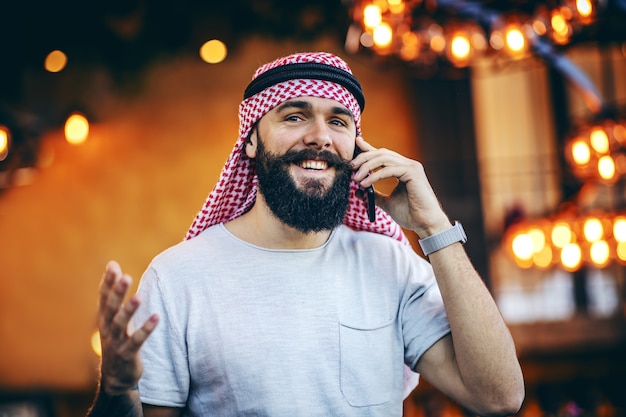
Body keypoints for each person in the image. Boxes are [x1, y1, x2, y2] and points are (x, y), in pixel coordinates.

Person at [87, 52, 524, 417]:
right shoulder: (178, 277)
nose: (320, 137)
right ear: (252, 141)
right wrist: (117, 391)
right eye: (295, 116)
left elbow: (499, 398)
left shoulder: (388, 263)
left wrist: (434, 226)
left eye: (339, 122)